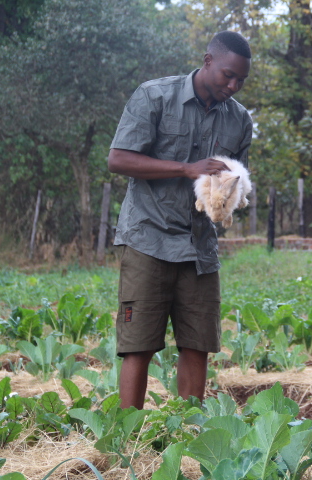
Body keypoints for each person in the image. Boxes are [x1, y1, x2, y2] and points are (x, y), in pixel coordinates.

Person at [108, 31, 253, 409]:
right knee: (138, 344)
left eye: (241, 80)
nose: (233, 85)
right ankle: (128, 441)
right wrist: (186, 168)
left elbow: (237, 177)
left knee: (198, 343)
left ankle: (187, 437)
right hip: (147, 238)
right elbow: (119, 159)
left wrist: (228, 197)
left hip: (199, 246)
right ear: (207, 62)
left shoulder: (239, 120)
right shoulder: (154, 96)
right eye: (227, 75)